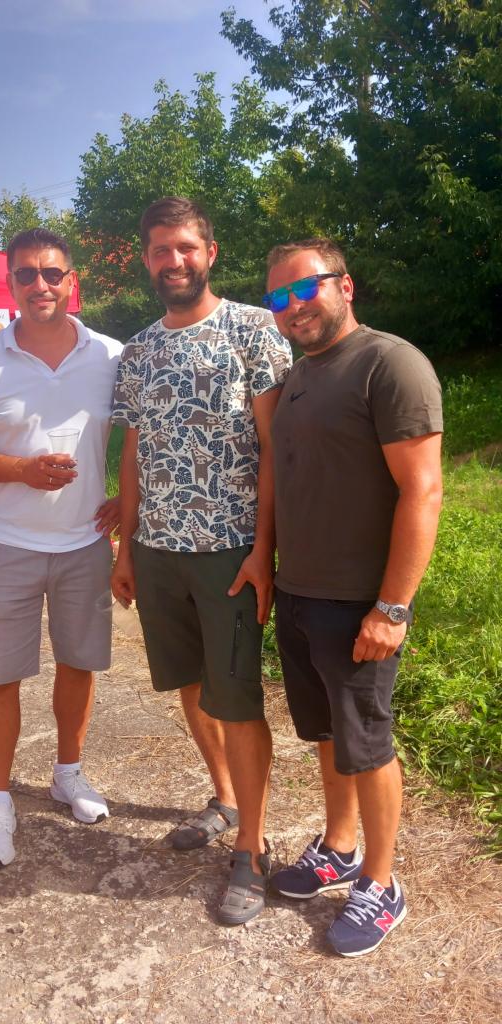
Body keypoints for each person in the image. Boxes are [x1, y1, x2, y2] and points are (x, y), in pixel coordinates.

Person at [111, 197, 292, 926]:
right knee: (189, 683)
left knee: (238, 699)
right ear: (146, 259)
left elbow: (276, 448)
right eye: (161, 249)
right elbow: (132, 454)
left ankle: (252, 848)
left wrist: (264, 551)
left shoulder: (253, 328)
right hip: (157, 552)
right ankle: (224, 799)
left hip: (230, 552)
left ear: (210, 252)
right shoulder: (137, 351)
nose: (174, 260)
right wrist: (125, 548)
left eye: (186, 247)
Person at [264, 238, 443, 956]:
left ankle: (381, 881)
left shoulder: (389, 363)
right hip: (300, 593)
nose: (292, 306)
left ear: (345, 285)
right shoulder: (300, 376)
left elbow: (423, 490)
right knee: (329, 735)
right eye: (278, 296)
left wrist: (392, 608)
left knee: (367, 745)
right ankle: (338, 848)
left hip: (359, 602)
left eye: (304, 288)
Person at [0, 228, 121, 868]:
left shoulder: (111, 354)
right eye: (26, 274)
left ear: (73, 281)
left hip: (85, 541)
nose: (40, 285)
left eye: (52, 273)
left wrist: (127, 499)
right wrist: (19, 470)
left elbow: (144, 435)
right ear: (10, 284)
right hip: (7, 541)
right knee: (0, 677)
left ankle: (67, 773)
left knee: (79, 664)